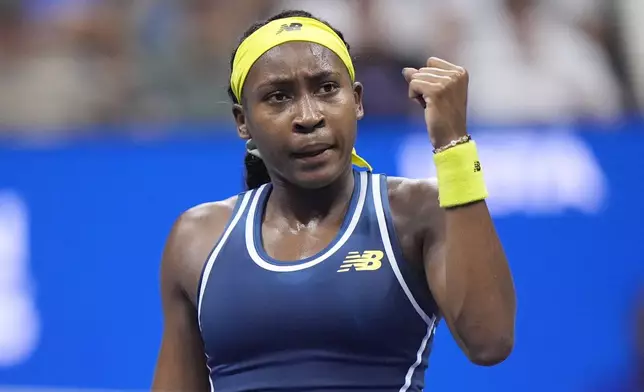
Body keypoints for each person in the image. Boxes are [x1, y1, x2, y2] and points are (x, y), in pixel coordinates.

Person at [152, 9, 516, 392]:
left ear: (357, 101)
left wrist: (453, 147)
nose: (309, 116)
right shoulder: (196, 238)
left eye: (326, 88)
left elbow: (489, 341)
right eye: (279, 97)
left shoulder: (416, 212)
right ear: (243, 121)